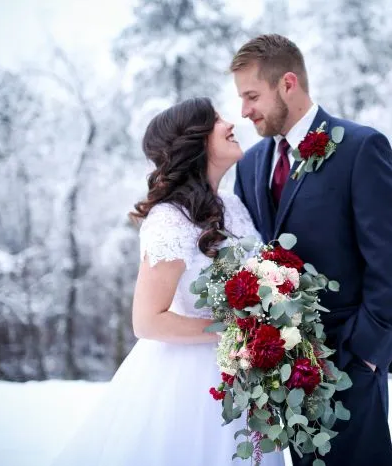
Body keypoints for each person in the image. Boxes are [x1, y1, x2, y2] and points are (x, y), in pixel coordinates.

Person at [49, 97, 284, 466]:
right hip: (189, 384)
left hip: (247, 376)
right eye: (218, 119)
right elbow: (147, 320)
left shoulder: (234, 205)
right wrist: (233, 330)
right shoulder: (170, 219)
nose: (231, 123)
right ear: (195, 140)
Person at [231, 34, 392, 466]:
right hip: (277, 370)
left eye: (252, 95)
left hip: (349, 362)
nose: (244, 110)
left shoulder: (360, 147)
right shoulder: (250, 164)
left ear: (288, 84)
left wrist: (367, 355)